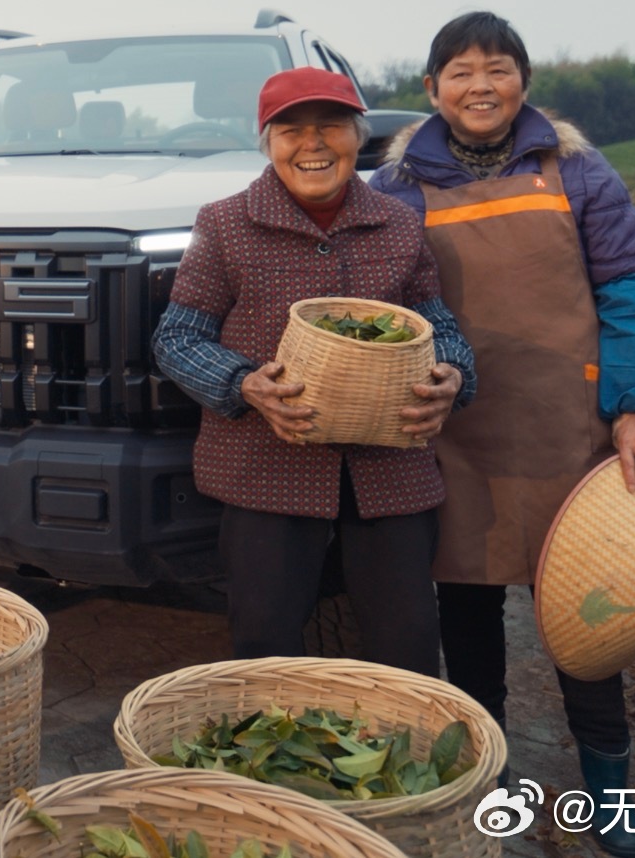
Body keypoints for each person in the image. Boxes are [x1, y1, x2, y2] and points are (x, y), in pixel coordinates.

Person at [371, 12, 635, 858]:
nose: (480, 85)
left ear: (524, 83)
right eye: (460, 71)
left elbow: (631, 287)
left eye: (497, 69)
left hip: (567, 430)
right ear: (430, 90)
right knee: (465, 614)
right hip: (455, 433)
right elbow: (387, 310)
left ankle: (610, 792)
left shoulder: (575, 170)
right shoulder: (397, 188)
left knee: (589, 616)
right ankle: (490, 779)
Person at [153, 67, 474, 677]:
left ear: (359, 136)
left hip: (390, 468)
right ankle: (269, 771)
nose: (313, 144)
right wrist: (244, 383)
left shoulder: (399, 224)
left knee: (407, 646)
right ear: (268, 143)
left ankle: (415, 764)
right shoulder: (223, 224)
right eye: (291, 130)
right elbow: (177, 338)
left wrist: (453, 376)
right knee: (265, 647)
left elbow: (442, 328)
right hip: (267, 466)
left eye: (331, 126)